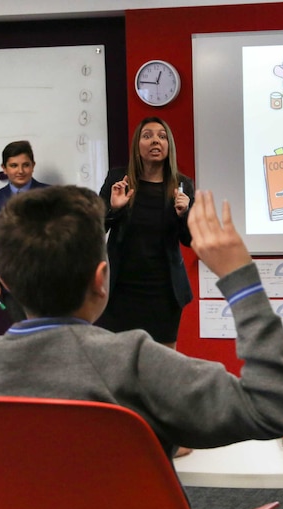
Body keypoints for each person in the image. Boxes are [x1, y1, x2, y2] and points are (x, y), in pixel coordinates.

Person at [0, 184, 283, 509]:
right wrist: (240, 279)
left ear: (4, 278)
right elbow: (279, 407)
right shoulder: (134, 363)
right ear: (101, 278)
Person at [98, 117, 194, 348]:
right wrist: (114, 209)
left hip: (163, 292)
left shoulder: (182, 185)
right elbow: (95, 229)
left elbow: (190, 240)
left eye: (162, 136)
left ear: (168, 145)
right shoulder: (118, 180)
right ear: (137, 145)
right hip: (120, 290)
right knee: (116, 361)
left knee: (164, 365)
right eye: (147, 135)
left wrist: (185, 213)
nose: (155, 141)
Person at [0, 140, 48, 322]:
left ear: (33, 166)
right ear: (4, 168)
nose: (20, 171)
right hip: (11, 282)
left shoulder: (49, 194)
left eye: (26, 165)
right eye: (14, 165)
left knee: (48, 331)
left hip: (45, 280)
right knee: (22, 330)